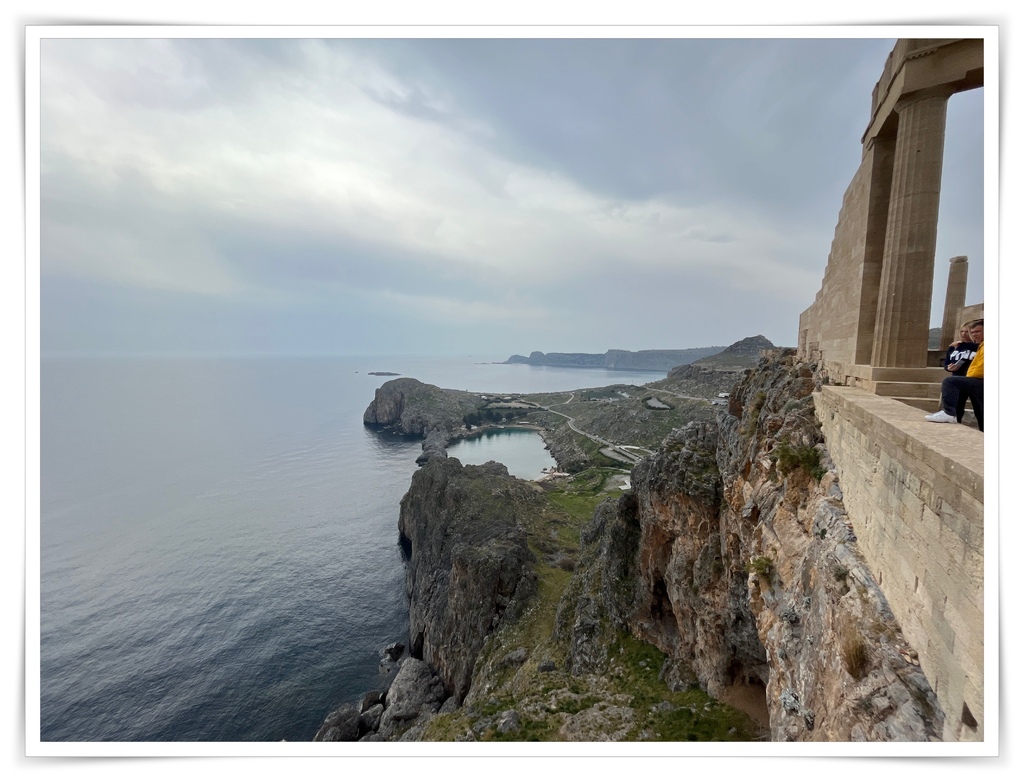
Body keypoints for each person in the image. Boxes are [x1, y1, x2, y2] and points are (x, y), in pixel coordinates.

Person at [925, 320, 984, 431]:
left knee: (980, 409)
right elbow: (947, 362)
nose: (964, 334)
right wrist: (949, 367)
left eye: (968, 332)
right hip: (962, 378)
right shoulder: (955, 347)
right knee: (958, 406)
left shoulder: (978, 346)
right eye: (962, 331)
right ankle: (953, 422)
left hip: (974, 379)